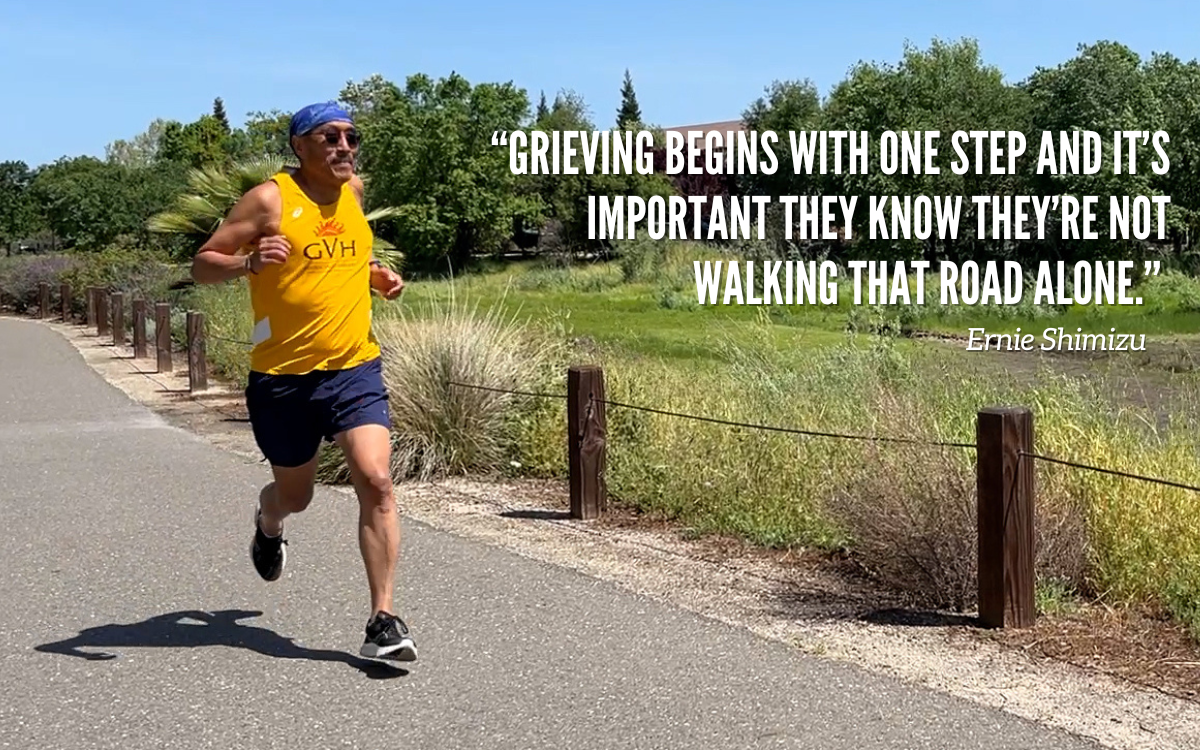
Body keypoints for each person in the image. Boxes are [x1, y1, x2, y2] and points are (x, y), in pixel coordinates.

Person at [189, 101, 415, 661]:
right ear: (299, 145)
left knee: (377, 479)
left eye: (351, 136)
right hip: (283, 379)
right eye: (330, 137)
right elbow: (203, 263)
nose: (344, 146)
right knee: (297, 496)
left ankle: (382, 620)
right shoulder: (269, 199)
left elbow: (341, 256)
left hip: (353, 367)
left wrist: (375, 275)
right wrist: (248, 264)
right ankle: (269, 523)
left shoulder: (354, 193)